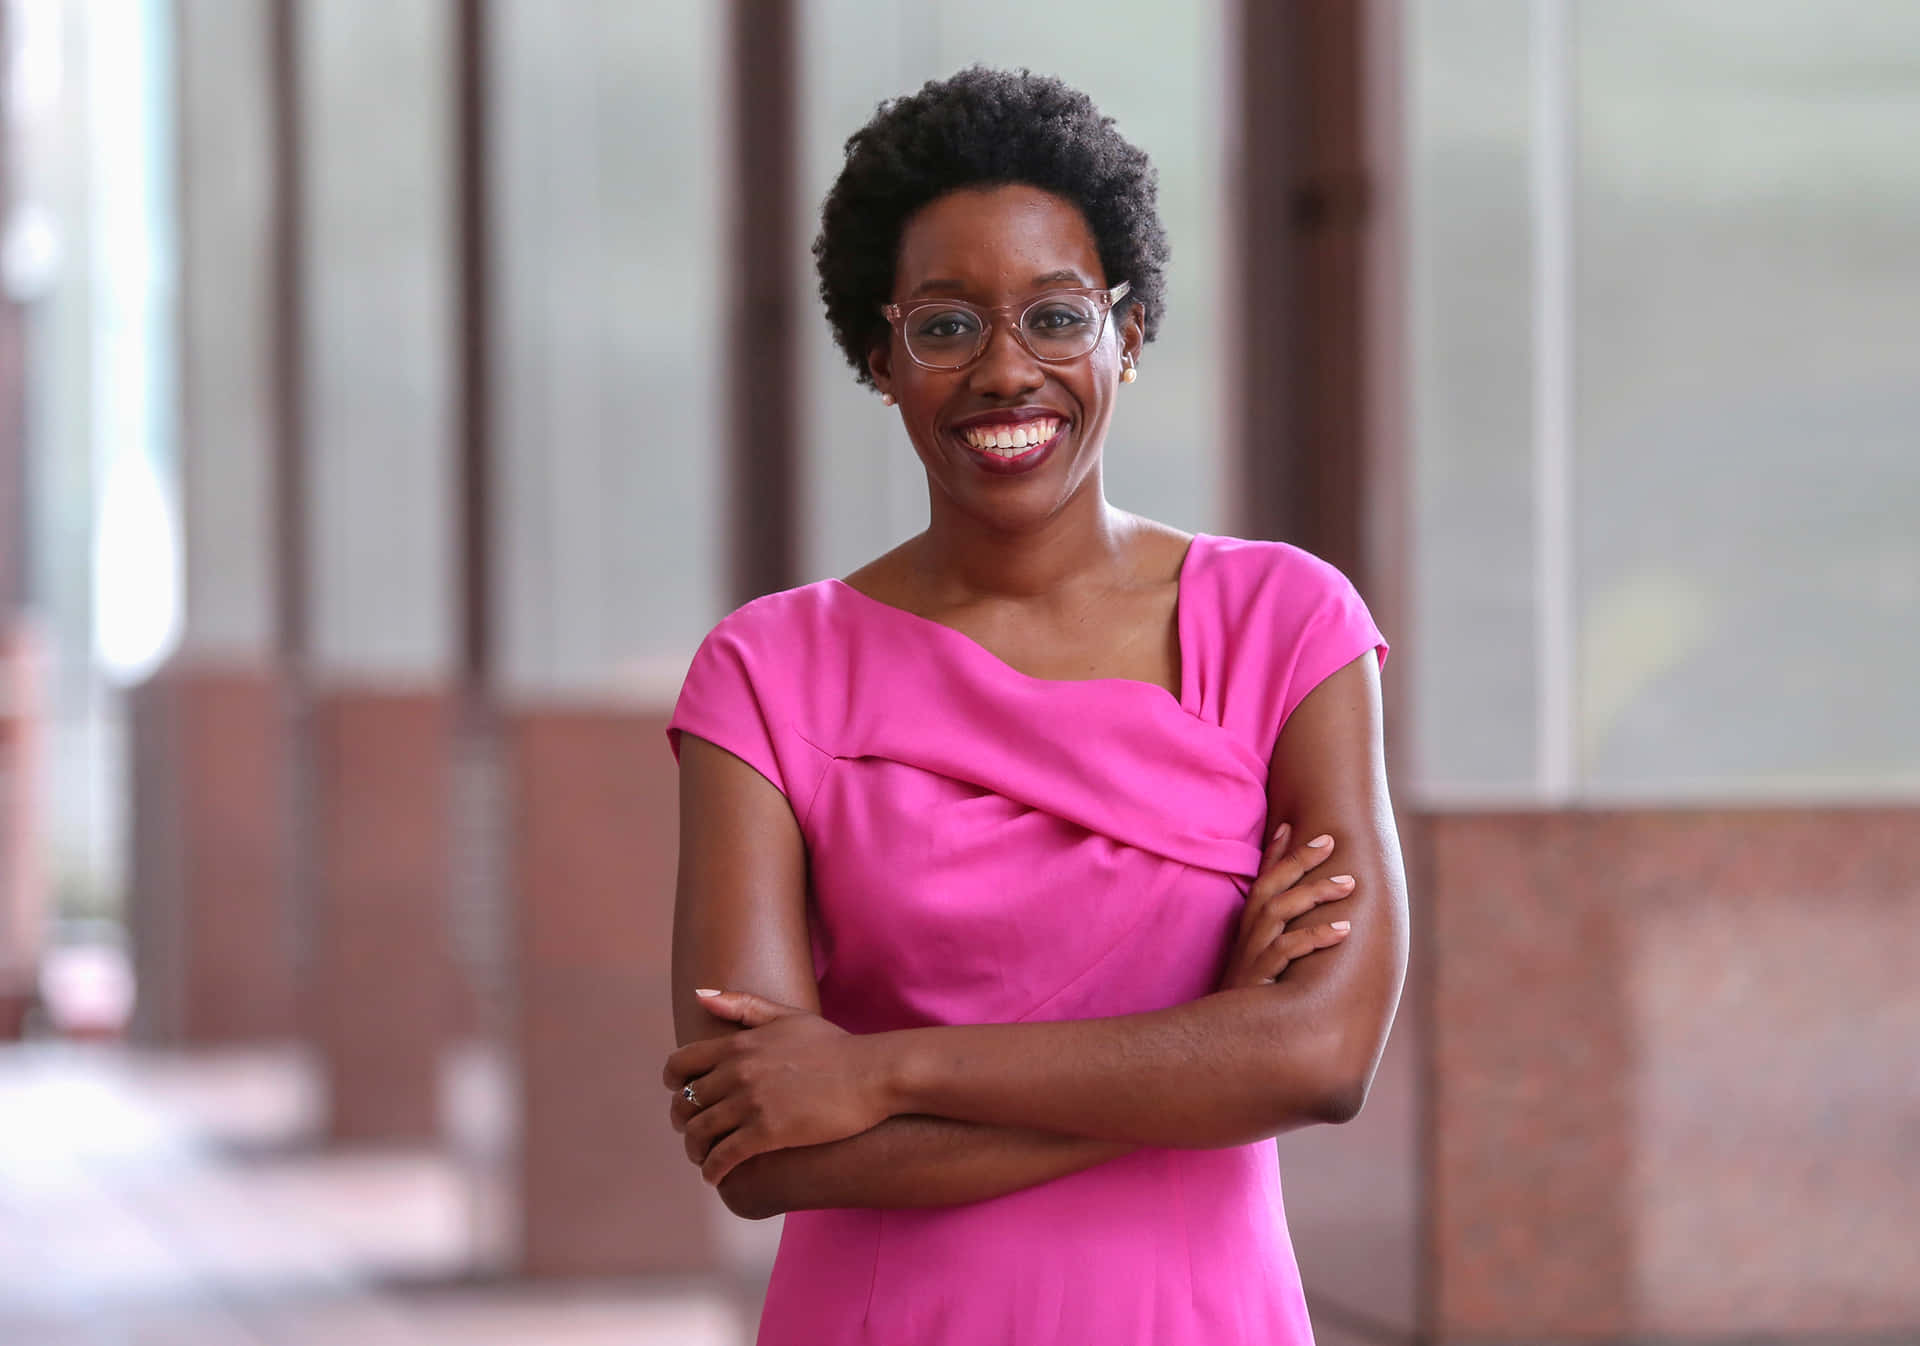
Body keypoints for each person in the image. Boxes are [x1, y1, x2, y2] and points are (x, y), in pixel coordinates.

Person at [662, 66, 1407, 1346]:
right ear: (878, 356)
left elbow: (1323, 1058)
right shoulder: (768, 671)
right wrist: (1205, 1057)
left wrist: (878, 1069)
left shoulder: (1286, 624)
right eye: (947, 326)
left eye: (1056, 317)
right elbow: (763, 1151)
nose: (1009, 371)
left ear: (1127, 331)